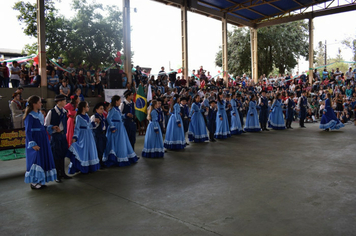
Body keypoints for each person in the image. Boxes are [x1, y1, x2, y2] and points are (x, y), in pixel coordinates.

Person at [23, 96, 57, 189]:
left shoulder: (40, 114)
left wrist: (51, 127)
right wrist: (32, 143)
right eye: (39, 102)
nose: (41, 104)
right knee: (35, 159)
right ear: (34, 104)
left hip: (43, 138)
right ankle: (34, 182)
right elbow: (28, 131)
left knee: (42, 158)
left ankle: (40, 180)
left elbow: (42, 127)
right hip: (36, 139)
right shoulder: (30, 116)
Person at [104, 95, 138, 166]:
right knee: (116, 143)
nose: (120, 102)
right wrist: (112, 127)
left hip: (120, 127)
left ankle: (121, 157)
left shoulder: (117, 109)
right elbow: (108, 118)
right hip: (116, 128)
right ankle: (115, 158)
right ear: (116, 101)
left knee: (121, 142)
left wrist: (125, 115)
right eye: (119, 100)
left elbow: (119, 117)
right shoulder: (112, 109)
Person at [67, 101, 100, 174]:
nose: (88, 108)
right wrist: (75, 137)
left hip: (89, 135)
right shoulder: (78, 117)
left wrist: (94, 123)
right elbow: (77, 128)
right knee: (83, 150)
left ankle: (89, 166)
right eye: (87, 106)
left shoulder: (87, 116)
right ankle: (81, 167)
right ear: (83, 108)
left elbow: (89, 126)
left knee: (89, 150)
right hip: (83, 136)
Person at [44, 94, 71, 183]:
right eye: (64, 100)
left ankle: (62, 172)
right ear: (59, 102)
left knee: (62, 153)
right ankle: (57, 175)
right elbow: (46, 125)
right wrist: (53, 127)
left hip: (63, 135)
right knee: (56, 155)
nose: (65, 102)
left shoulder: (64, 111)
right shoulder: (52, 112)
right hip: (55, 136)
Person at [120, 90, 138, 155]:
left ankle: (132, 153)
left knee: (132, 138)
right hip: (126, 123)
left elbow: (134, 111)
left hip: (132, 123)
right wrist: (125, 115)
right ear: (128, 96)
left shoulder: (133, 103)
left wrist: (135, 115)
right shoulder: (123, 104)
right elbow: (119, 114)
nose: (133, 96)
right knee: (126, 138)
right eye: (132, 95)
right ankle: (126, 153)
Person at [91, 102, 108, 167]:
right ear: (96, 109)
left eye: (103, 108)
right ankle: (99, 162)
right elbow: (92, 126)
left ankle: (101, 161)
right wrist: (96, 122)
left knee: (103, 147)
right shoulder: (94, 116)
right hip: (98, 134)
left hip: (103, 134)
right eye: (100, 109)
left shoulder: (102, 116)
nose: (102, 110)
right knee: (99, 148)